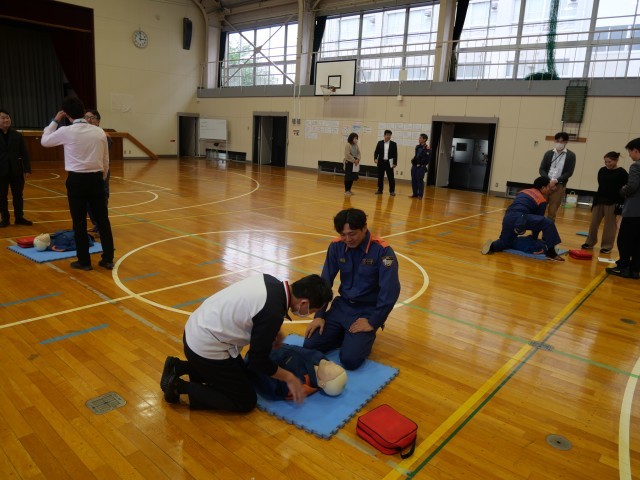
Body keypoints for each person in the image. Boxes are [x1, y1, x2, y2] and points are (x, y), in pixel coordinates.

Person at [160, 273, 333, 411]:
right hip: (204, 346)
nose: (310, 314)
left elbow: (256, 313)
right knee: (244, 400)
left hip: (197, 329)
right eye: (312, 310)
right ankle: (178, 386)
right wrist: (290, 378)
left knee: (244, 375)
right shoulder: (272, 312)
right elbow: (259, 361)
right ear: (304, 303)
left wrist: (274, 331)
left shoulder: (271, 282)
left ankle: (178, 367)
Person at [303, 208, 401, 370]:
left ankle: (359, 337)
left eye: (352, 234)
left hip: (366, 311)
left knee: (350, 360)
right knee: (310, 345)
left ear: (364, 228)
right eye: (343, 234)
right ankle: (347, 335)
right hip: (342, 307)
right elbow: (324, 282)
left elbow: (390, 290)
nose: (347, 239)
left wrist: (373, 322)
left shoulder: (384, 252)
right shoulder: (336, 246)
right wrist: (319, 316)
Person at [41, 96, 116, 271]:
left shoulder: (66, 131)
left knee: (79, 221)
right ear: (83, 112)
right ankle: (108, 259)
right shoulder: (99, 132)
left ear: (66, 114)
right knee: (103, 220)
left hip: (76, 180)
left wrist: (55, 120)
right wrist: (102, 178)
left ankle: (84, 261)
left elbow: (45, 141)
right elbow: (105, 160)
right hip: (96, 179)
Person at [481, 176, 565, 261]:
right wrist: (534, 238)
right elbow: (539, 223)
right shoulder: (541, 200)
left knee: (505, 242)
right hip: (521, 218)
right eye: (548, 187)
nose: (549, 189)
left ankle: (492, 246)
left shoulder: (524, 191)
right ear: (543, 188)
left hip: (508, 217)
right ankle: (551, 253)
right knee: (548, 222)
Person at [249, 344, 347, 400]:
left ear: (322, 383)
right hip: (269, 346)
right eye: (336, 365)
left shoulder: (301, 381)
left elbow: (279, 388)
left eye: (330, 372)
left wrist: (311, 389)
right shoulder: (320, 359)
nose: (331, 363)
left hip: (258, 361)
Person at [581, 152, 628, 254]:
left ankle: (607, 246)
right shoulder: (602, 170)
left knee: (609, 226)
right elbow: (600, 184)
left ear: (616, 160)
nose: (607, 164)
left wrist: (620, 205)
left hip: (613, 202)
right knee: (593, 223)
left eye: (609, 162)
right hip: (599, 200)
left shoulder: (622, 172)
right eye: (605, 162)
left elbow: (625, 189)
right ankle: (590, 242)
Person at [606, 138, 640, 279]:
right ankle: (635, 269)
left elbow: (632, 186)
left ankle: (623, 267)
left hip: (634, 210)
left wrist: (622, 190)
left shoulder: (636, 166)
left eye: (630, 152)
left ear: (635, 150)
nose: (630, 155)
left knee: (625, 240)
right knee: (638, 242)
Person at [0, 109, 32, 227]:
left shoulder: (17, 135)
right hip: (1, 171)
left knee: (18, 195)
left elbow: (24, 153)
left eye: (7, 117)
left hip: (16, 170)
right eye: (3, 118)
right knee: (1, 196)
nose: (6, 120)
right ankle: (5, 219)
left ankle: (19, 217)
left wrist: (27, 169)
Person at [84, 109, 112, 235]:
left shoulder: (104, 135)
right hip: (87, 173)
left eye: (92, 117)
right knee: (87, 201)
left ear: (98, 121)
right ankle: (96, 224)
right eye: (86, 117)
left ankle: (102, 227)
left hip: (100, 172)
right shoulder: (84, 134)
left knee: (101, 200)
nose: (89, 120)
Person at [539, 131, 577, 222]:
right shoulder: (548, 153)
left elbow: (569, 172)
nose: (559, 143)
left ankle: (548, 230)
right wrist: (549, 181)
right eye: (557, 141)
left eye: (562, 141)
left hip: (559, 186)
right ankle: (536, 228)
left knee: (552, 212)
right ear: (554, 141)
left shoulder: (571, 155)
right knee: (540, 207)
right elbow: (542, 169)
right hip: (545, 184)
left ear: (566, 142)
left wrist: (555, 181)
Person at [373, 129, 397, 196]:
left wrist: (395, 163)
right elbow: (376, 152)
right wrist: (375, 158)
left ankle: (392, 191)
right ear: (384, 135)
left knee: (391, 177)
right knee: (380, 177)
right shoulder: (380, 143)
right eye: (387, 135)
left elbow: (395, 154)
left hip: (389, 162)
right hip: (381, 162)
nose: (388, 136)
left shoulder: (393, 144)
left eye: (389, 135)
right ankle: (380, 190)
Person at [409, 133, 430, 199]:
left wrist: (422, 164)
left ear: (424, 139)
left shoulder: (427, 148)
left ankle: (420, 195)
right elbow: (416, 156)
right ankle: (415, 194)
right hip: (414, 166)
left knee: (419, 180)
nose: (419, 139)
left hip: (421, 167)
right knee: (413, 180)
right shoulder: (417, 147)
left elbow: (427, 159)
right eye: (419, 138)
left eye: (420, 138)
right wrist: (413, 160)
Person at [343, 132, 360, 197]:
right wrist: (354, 160)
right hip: (349, 162)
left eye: (357, 138)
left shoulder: (356, 145)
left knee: (352, 177)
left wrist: (358, 159)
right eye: (355, 138)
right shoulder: (348, 145)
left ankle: (349, 190)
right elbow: (347, 154)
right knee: (348, 177)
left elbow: (359, 153)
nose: (356, 140)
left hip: (355, 163)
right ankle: (346, 190)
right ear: (351, 138)